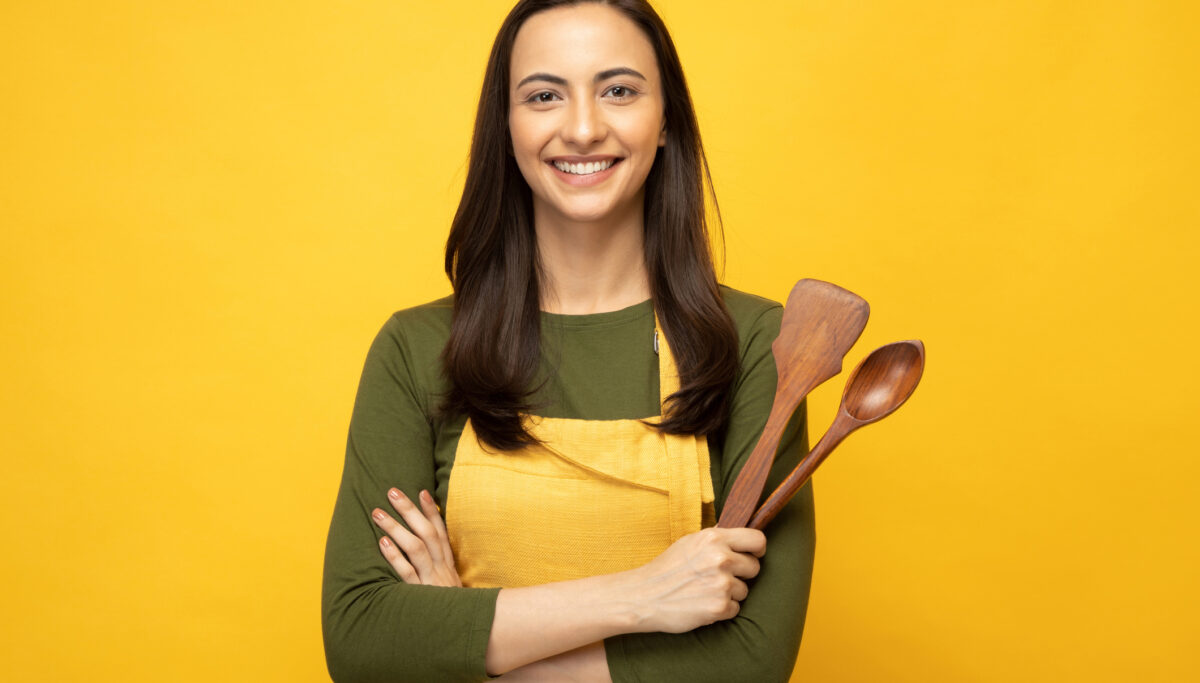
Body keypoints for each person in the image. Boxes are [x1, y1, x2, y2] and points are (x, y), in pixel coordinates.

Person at [321, 1, 815, 681]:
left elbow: (749, 663)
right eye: (544, 96)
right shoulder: (417, 348)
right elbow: (362, 640)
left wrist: (465, 641)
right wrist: (641, 596)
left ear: (667, 120)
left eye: (619, 91)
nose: (583, 129)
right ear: (507, 128)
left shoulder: (758, 343)